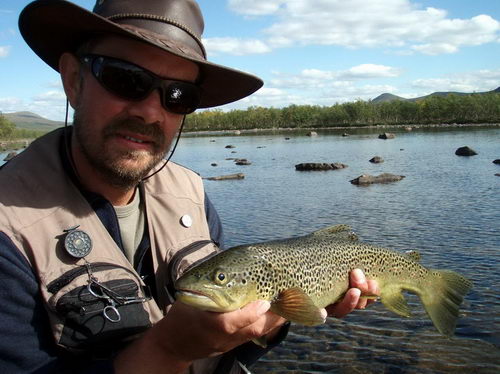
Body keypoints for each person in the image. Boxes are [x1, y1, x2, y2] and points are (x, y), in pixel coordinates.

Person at [0, 0, 380, 373]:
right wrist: (166, 350)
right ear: (73, 80)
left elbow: (229, 345)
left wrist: (286, 311)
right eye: (126, 79)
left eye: (178, 95)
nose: (150, 111)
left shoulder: (190, 192)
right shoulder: (8, 227)